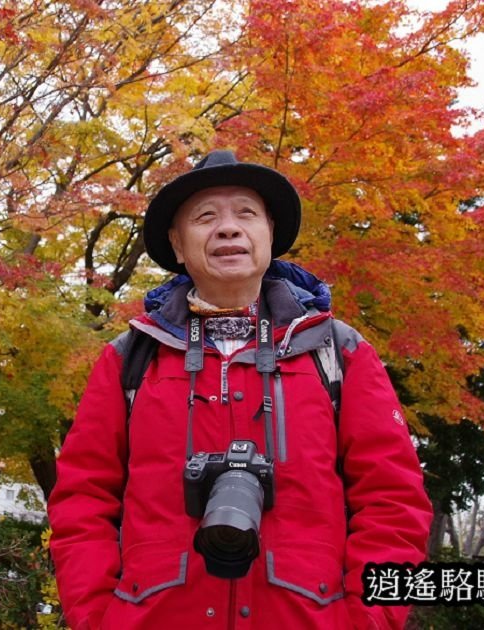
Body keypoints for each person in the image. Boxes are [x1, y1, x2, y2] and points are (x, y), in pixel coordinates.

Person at [47, 150, 432, 629]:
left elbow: (392, 501)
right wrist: (97, 619)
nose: (228, 229)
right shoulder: (130, 358)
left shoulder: (337, 351)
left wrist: (367, 622)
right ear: (178, 244)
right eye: (205, 217)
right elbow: (82, 502)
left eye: (245, 213)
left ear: (270, 232)